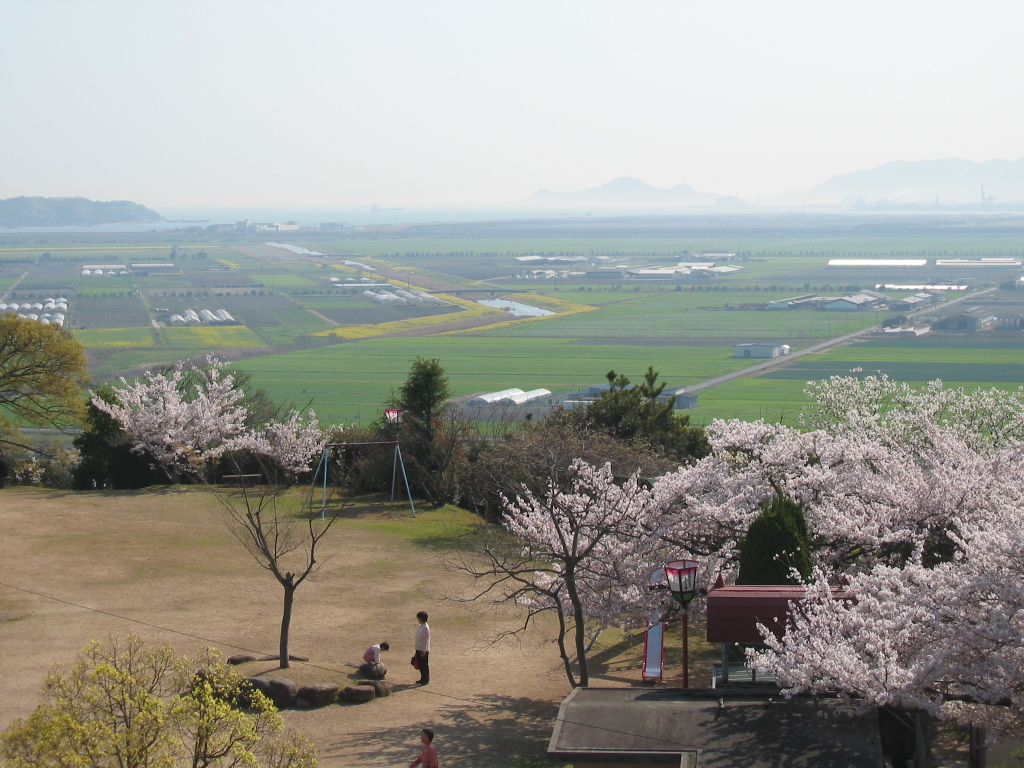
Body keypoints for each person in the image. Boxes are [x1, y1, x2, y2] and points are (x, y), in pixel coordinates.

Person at [414, 611, 430, 685]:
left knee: (424, 665)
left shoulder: (425, 628)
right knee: (420, 664)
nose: (418, 620)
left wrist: (424, 650)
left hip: (423, 650)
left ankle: (426, 679)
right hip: (418, 648)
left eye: (419, 618)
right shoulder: (421, 626)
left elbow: (425, 640)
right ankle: (422, 678)